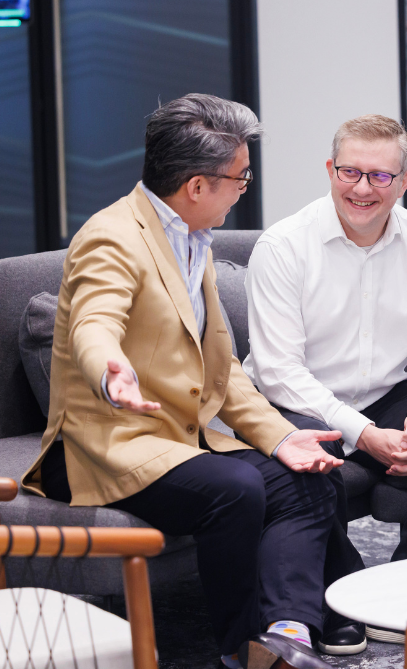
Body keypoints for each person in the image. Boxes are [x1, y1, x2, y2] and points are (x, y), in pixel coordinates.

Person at [20, 94, 364, 669]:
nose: (244, 187)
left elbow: (221, 370)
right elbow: (94, 323)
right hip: (107, 444)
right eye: (241, 177)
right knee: (236, 488)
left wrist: (281, 438)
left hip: (176, 442)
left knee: (307, 479)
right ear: (199, 185)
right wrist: (112, 371)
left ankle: (289, 632)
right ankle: (240, 646)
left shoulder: (189, 237)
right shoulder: (112, 237)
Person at [242, 114, 407, 643]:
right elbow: (279, 371)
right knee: (305, 457)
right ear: (331, 170)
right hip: (297, 401)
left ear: (404, 182)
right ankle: (342, 591)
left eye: (380, 176)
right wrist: (365, 437)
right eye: (350, 172)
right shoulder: (283, 246)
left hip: (387, 395)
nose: (363, 189)